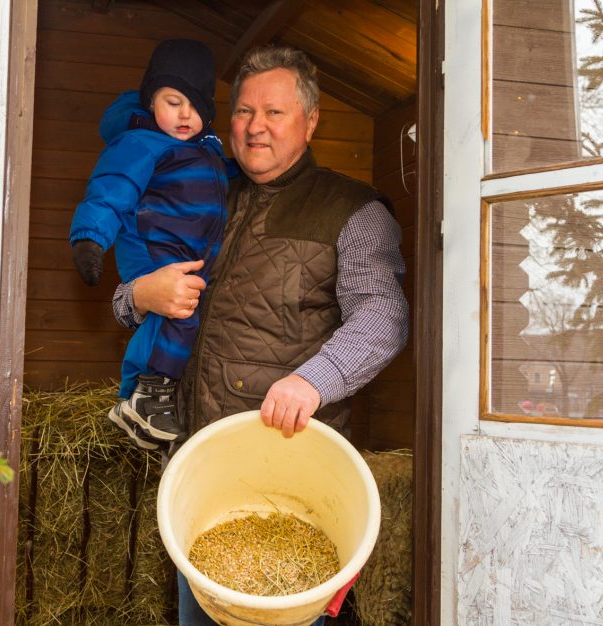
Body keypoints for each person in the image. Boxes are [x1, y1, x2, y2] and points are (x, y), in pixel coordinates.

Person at [113, 45, 410, 626]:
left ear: (311, 118)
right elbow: (131, 293)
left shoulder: (351, 211)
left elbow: (383, 317)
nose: (254, 128)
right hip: (201, 479)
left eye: (273, 113)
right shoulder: (200, 192)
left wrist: (312, 381)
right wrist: (137, 297)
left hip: (292, 482)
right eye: (244, 112)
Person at [70, 39, 230, 451]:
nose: (184, 115)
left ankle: (138, 399)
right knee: (179, 313)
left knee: (177, 315)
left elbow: (223, 181)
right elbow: (112, 189)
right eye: (173, 101)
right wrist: (91, 238)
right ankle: (146, 395)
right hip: (153, 248)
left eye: (195, 107)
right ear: (151, 99)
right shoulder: (140, 143)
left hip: (183, 251)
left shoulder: (205, 150)